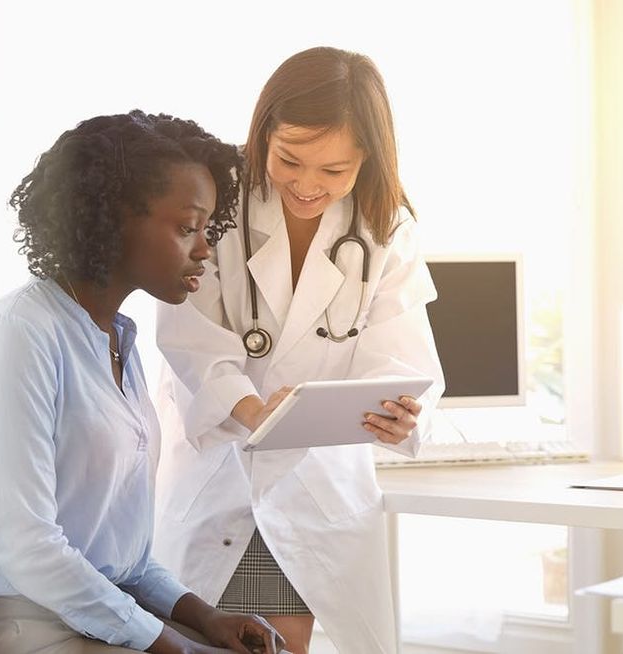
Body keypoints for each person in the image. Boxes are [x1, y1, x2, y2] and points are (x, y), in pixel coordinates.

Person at [0, 111, 287, 654]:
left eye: (207, 229)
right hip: (3, 622)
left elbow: (122, 556)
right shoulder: (19, 334)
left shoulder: (116, 340)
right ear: (114, 219)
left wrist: (206, 617)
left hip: (83, 611)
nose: (204, 249)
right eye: (187, 227)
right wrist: (172, 645)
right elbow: (26, 545)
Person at [153, 47, 444, 654]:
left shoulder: (383, 224)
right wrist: (254, 411)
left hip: (317, 482)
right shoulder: (214, 196)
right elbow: (187, 337)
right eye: (289, 160)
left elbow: (402, 357)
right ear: (263, 134)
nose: (308, 185)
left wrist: (396, 410)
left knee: (291, 643)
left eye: (335, 170)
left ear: (368, 157)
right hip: (221, 469)